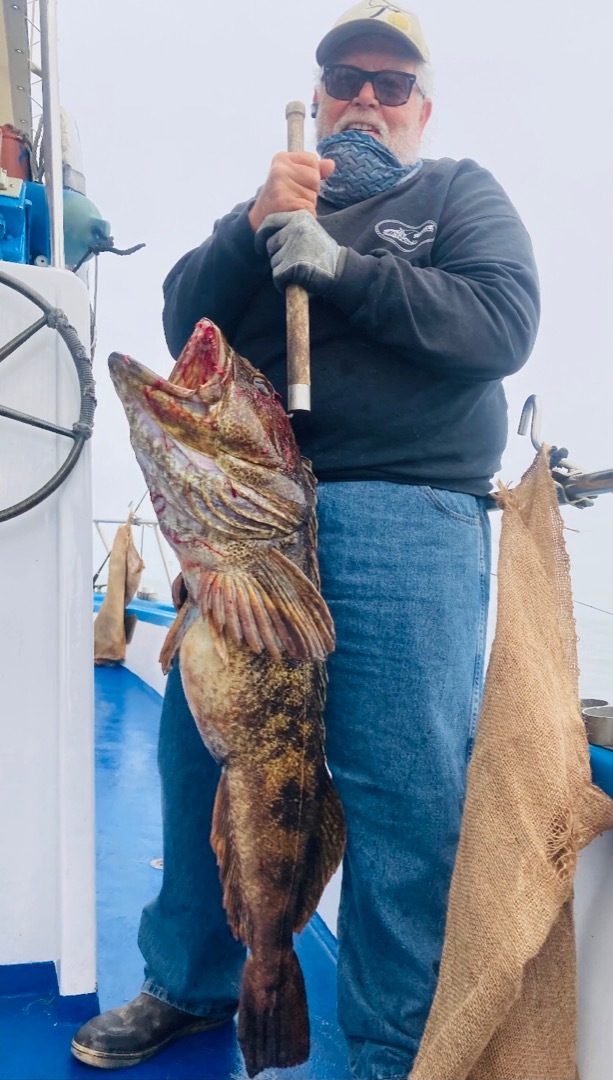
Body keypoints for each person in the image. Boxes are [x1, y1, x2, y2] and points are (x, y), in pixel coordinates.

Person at [72, 3, 539, 1077]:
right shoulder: (269, 205)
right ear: (316, 94)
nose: (363, 98)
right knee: (207, 762)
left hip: (402, 517)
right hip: (246, 524)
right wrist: (254, 227)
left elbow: (501, 324)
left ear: (421, 107)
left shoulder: (456, 196)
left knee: (401, 792)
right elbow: (183, 313)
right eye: (345, 81)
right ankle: (189, 982)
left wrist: (338, 266)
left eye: (388, 84)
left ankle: (386, 1050)